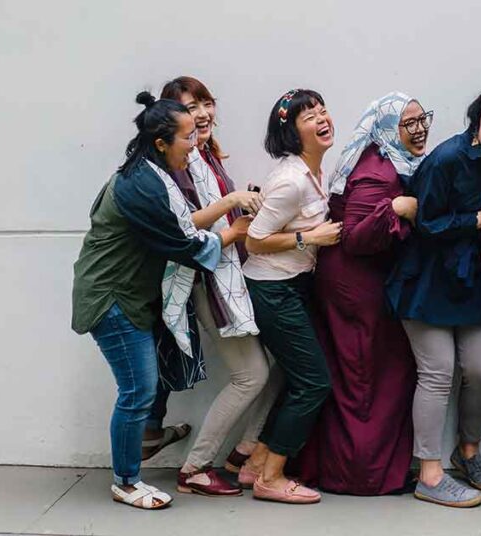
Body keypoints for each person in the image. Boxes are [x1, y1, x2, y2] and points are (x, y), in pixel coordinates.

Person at [71, 92, 229, 509]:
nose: (194, 144)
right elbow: (184, 243)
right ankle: (126, 482)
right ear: (160, 143)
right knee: (137, 390)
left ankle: (147, 445)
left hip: (128, 296)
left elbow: (180, 226)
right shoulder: (142, 185)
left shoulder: (150, 173)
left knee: (144, 387)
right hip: (112, 299)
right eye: (187, 137)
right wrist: (235, 231)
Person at [138, 76, 280, 497]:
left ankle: (245, 453)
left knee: (278, 366)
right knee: (252, 375)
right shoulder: (177, 164)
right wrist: (232, 209)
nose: (202, 114)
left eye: (205, 103)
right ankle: (197, 467)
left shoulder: (205, 157)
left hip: (226, 275)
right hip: (204, 280)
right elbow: (182, 227)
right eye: (190, 108)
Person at [385, 85, 481, 508]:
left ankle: (468, 453)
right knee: (438, 372)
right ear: (476, 121)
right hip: (426, 282)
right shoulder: (447, 158)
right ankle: (429, 474)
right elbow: (425, 223)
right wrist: (477, 219)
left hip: (471, 283)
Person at [299, 92, 430, 495]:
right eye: (408, 123)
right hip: (356, 286)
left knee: (366, 376)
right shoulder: (377, 172)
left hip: (362, 282)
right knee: (366, 381)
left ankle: (363, 469)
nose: (420, 129)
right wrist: (398, 208)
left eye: (422, 119)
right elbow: (356, 237)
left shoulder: (390, 157)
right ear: (388, 128)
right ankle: (361, 475)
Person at [237, 89, 342, 504]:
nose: (322, 119)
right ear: (292, 133)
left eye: (322, 110)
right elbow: (254, 240)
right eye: (308, 116)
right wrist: (309, 238)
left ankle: (255, 464)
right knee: (314, 383)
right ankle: (271, 478)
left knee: (300, 378)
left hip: (294, 285)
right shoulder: (291, 181)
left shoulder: (314, 171)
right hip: (271, 289)